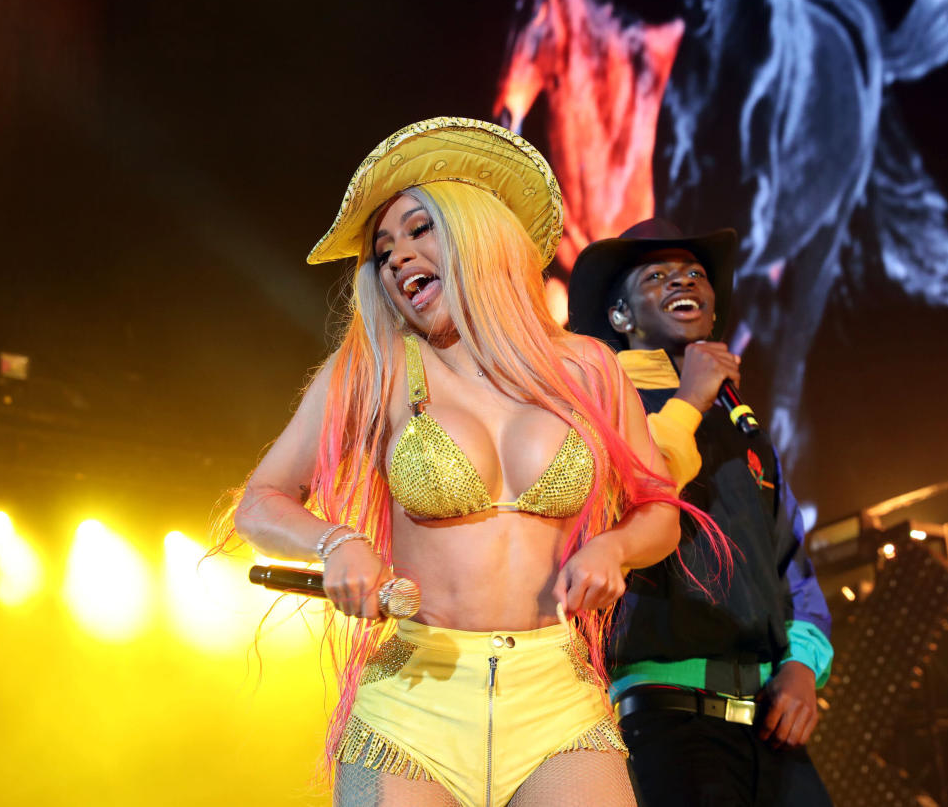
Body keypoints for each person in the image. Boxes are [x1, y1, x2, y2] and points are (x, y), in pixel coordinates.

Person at [223, 119, 728, 807]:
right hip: (412, 702)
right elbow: (259, 501)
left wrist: (614, 545)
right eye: (383, 249)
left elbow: (659, 511)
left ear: (477, 229)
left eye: (419, 228)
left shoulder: (586, 367)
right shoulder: (375, 369)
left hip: (556, 695)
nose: (398, 257)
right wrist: (337, 541)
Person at [567, 219, 834, 806]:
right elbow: (630, 498)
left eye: (693, 273)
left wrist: (804, 666)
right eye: (656, 275)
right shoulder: (600, 405)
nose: (682, 281)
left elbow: (793, 566)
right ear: (620, 318)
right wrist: (688, 400)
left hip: (768, 724)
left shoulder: (742, 427)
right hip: (666, 720)